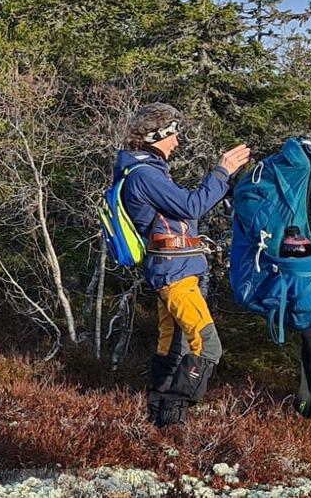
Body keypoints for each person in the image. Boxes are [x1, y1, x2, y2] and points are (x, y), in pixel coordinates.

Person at [112, 103, 250, 427]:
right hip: (175, 275)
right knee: (208, 345)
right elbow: (193, 204)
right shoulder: (145, 175)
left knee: (172, 346)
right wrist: (222, 171)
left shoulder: (147, 171)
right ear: (155, 136)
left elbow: (182, 213)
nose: (176, 142)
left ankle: (160, 423)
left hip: (174, 270)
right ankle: (174, 421)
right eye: (172, 134)